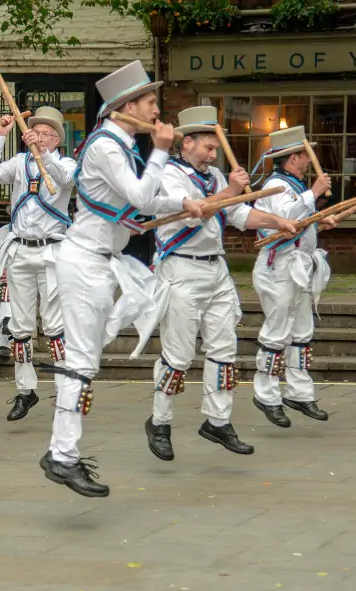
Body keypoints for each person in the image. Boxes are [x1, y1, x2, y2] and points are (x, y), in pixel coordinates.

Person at [43, 60, 208, 498]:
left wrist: (185, 201)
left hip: (100, 261)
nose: (157, 110)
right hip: (84, 261)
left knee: (83, 361)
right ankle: (61, 455)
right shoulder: (106, 146)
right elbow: (139, 195)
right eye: (151, 102)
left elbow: (145, 200)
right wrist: (160, 149)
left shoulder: (118, 145)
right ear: (127, 106)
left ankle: (63, 452)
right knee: (81, 362)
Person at [131, 106, 300, 462]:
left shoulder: (216, 177)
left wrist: (278, 220)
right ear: (187, 142)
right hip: (180, 271)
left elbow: (239, 213)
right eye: (208, 147)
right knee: (177, 356)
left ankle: (218, 421)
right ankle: (160, 422)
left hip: (216, 270)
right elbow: (195, 214)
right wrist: (231, 191)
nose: (212, 154)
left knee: (224, 351)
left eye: (215, 149)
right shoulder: (169, 174)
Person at [0, 106, 77, 421]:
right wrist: (0, 136)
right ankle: (26, 390)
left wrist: (43, 155)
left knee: (55, 326)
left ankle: (66, 391)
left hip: (53, 253)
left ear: (57, 138)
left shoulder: (66, 163)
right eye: (37, 132)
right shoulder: (19, 163)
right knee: (19, 328)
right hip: (20, 251)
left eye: (48, 133)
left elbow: (63, 180)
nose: (41, 137)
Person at [249, 126, 338, 428]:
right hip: (279, 267)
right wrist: (313, 193)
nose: (307, 161)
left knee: (301, 332)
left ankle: (300, 392)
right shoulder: (277, 186)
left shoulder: (292, 184)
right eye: (303, 155)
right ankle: (267, 395)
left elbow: (300, 223)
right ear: (290, 159)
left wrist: (318, 223)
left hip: (299, 266)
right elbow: (287, 219)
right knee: (277, 332)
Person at [0, 221, 15, 361]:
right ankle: (4, 341)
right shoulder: (4, 231)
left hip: (28, 277)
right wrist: (2, 272)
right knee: (5, 291)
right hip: (4, 279)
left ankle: (5, 342)